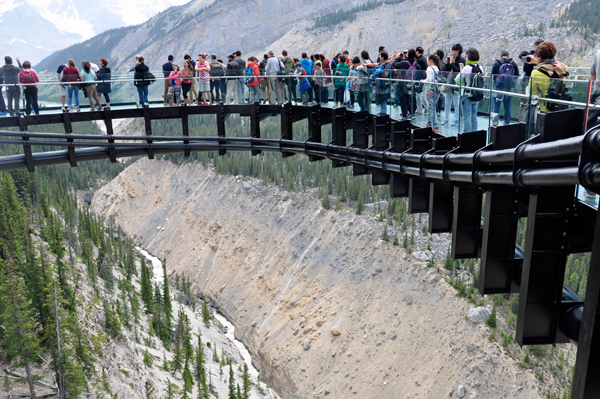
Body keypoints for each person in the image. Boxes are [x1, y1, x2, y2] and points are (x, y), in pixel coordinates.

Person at [529, 41, 569, 114]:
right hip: (560, 108)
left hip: (545, 108)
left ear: (540, 58)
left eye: (536, 56)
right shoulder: (560, 68)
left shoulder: (536, 72)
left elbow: (531, 92)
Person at [455, 47, 483, 133]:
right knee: (474, 118)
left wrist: (461, 71)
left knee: (466, 118)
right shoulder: (480, 67)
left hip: (467, 96)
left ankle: (466, 136)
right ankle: (474, 135)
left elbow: (458, 79)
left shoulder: (466, 68)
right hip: (477, 95)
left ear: (468, 57)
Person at [491, 51, 519, 126]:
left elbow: (492, 76)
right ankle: (506, 122)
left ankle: (494, 122)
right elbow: (517, 76)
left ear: (501, 56)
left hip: (498, 87)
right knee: (507, 106)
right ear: (508, 56)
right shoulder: (513, 63)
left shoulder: (497, 63)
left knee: (496, 106)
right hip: (509, 88)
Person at [443, 43, 466, 126]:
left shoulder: (462, 60)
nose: (452, 51)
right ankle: (446, 118)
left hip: (457, 83)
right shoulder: (453, 59)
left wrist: (452, 63)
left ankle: (456, 119)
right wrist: (447, 63)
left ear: (458, 51)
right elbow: (448, 70)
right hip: (450, 82)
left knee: (456, 103)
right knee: (447, 102)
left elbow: (459, 72)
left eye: (454, 50)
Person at [422, 54, 442, 132]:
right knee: (432, 106)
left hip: (430, 89)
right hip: (437, 90)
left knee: (431, 107)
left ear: (430, 60)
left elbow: (429, 79)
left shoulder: (429, 68)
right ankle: (429, 123)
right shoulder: (437, 68)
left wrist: (423, 81)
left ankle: (435, 125)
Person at [415, 46, 428, 115]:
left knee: (420, 95)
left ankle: (420, 109)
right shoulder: (424, 59)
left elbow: (419, 71)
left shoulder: (420, 60)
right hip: (424, 79)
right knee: (423, 95)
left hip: (420, 79)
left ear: (417, 52)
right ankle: (426, 108)